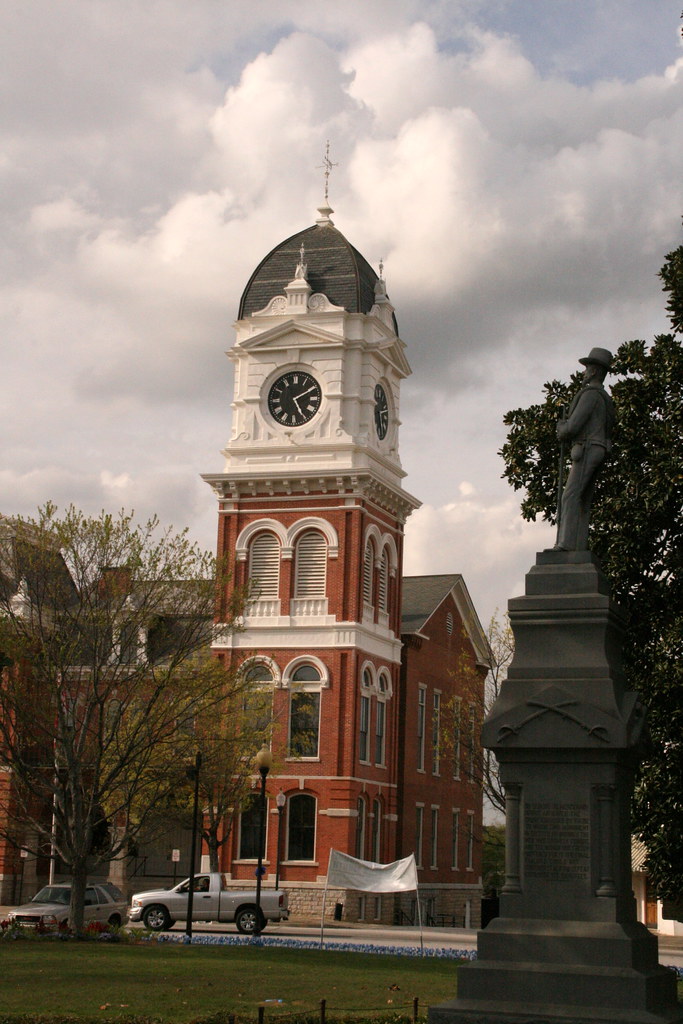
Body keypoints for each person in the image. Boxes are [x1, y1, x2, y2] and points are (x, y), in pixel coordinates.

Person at [555, 347, 615, 552]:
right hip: (597, 448)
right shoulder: (605, 398)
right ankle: (577, 545)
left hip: (588, 448)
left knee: (570, 496)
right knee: (581, 498)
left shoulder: (591, 395)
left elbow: (574, 426)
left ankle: (566, 544)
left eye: (588, 368)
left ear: (596, 371)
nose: (584, 372)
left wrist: (562, 429)